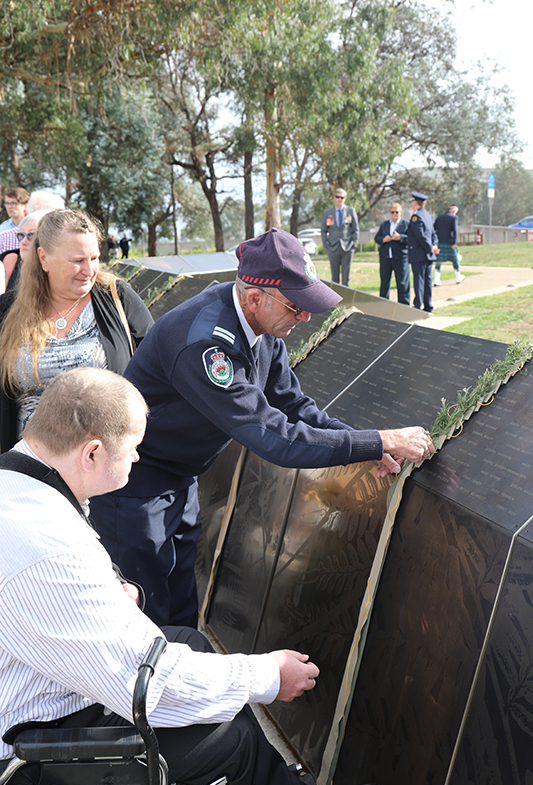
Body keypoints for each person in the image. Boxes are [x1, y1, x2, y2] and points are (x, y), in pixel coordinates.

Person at [0, 367, 382, 785]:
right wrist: (268, 674)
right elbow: (149, 687)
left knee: (190, 642)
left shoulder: (19, 481)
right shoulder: (50, 548)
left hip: (42, 684)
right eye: (132, 448)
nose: (138, 458)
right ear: (91, 454)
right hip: (32, 738)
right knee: (228, 738)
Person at [90, 227, 435, 629]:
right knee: (142, 615)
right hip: (133, 485)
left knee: (181, 605)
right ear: (255, 298)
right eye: (296, 307)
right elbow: (273, 437)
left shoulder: (263, 328)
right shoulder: (206, 345)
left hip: (179, 477)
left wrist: (373, 447)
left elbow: (293, 405)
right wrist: (379, 439)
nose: (305, 317)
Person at [0, 209, 153, 452]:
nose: (89, 270)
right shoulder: (8, 312)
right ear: (44, 258)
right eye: (77, 261)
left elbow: (155, 367)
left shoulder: (118, 298)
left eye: (94, 258)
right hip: (29, 468)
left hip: (104, 466)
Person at [0, 210, 49, 296]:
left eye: (31, 235)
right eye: (21, 235)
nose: (24, 241)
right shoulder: (11, 259)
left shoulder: (53, 269)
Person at [407, 191, 439, 313]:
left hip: (419, 253)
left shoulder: (416, 216)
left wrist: (430, 247)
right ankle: (428, 305)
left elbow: (420, 236)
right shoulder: (427, 215)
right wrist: (433, 246)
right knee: (427, 280)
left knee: (419, 281)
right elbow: (433, 234)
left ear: (415, 202)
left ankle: (418, 305)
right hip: (428, 254)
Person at [321, 189, 359, 286]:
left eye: (342, 197)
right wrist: (326, 245)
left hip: (347, 248)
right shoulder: (327, 213)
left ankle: (346, 300)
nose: (339, 199)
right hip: (333, 248)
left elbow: (356, 229)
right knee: (334, 278)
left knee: (346, 278)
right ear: (334, 198)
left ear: (345, 199)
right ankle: (336, 301)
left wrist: (353, 245)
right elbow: (323, 230)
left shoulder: (351, 211)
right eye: (337, 197)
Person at [374, 203, 410, 305]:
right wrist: (383, 239)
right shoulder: (384, 224)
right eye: (392, 212)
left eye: (397, 212)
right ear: (389, 213)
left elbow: (411, 239)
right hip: (386, 257)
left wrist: (400, 237)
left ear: (401, 213)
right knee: (384, 282)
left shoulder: (405, 224)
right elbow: (377, 238)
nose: (394, 214)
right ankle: (384, 304)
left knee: (402, 283)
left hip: (400, 257)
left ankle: (404, 306)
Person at [433, 204, 464, 286]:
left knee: (438, 261)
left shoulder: (439, 217)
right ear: (453, 211)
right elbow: (455, 230)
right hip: (450, 243)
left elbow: (434, 228)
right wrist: (455, 243)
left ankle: (436, 279)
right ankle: (458, 277)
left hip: (440, 242)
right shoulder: (454, 218)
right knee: (455, 260)